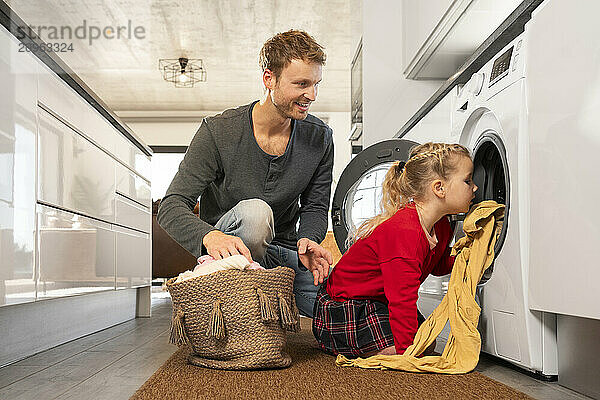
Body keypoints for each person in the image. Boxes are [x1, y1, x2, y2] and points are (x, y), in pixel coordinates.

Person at [157, 30, 334, 317]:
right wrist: (210, 236)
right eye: (301, 84)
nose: (311, 95)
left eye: (316, 84)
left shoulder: (320, 138)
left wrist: (310, 240)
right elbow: (171, 206)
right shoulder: (218, 131)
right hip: (229, 252)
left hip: (284, 254)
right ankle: (246, 298)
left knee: (337, 307)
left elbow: (315, 206)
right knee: (256, 214)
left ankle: (258, 297)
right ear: (269, 79)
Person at [312, 142, 478, 357]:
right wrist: (407, 354)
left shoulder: (441, 225)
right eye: (467, 180)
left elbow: (436, 266)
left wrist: (469, 255)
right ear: (439, 188)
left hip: (380, 301)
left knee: (428, 344)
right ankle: (336, 341)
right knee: (409, 350)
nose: (474, 187)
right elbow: (402, 300)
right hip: (346, 307)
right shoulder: (404, 233)